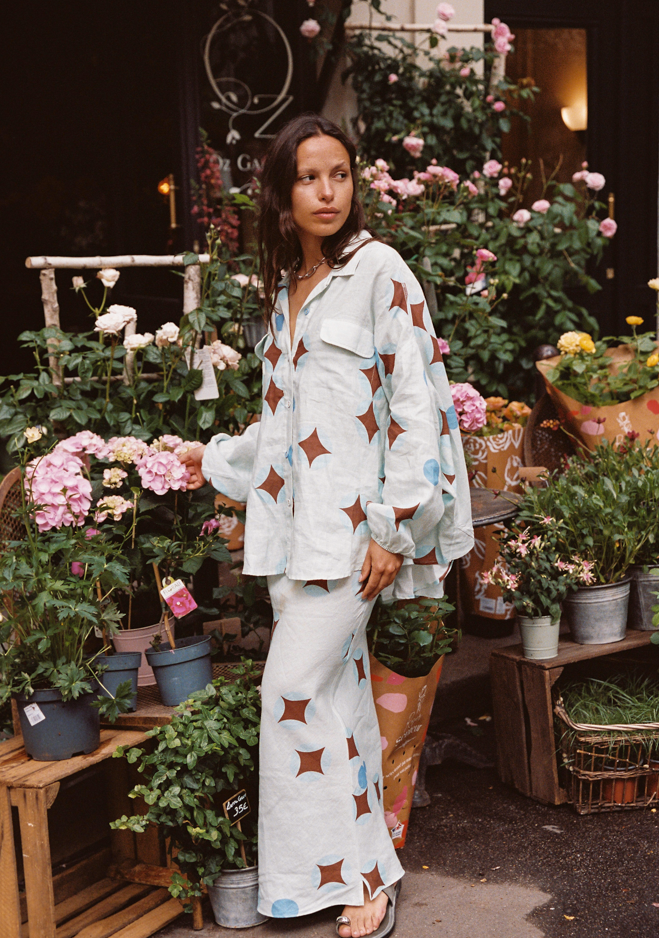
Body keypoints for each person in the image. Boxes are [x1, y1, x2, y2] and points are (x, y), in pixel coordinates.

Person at [181, 114, 473, 939]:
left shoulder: (382, 272)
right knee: (336, 696)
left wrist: (392, 526)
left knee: (291, 689)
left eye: (339, 174)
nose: (326, 192)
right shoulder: (287, 294)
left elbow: (419, 408)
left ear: (355, 182)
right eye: (309, 178)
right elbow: (280, 428)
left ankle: (350, 879)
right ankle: (371, 875)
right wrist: (201, 459)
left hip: (355, 539)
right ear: (281, 195)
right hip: (295, 537)